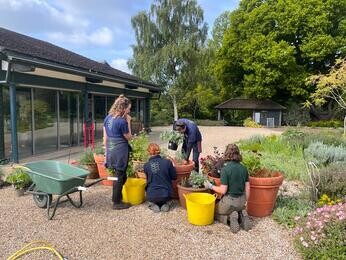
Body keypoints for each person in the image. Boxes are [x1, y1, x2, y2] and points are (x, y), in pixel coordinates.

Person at [204, 144, 252, 233]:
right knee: (237, 208)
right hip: (242, 202)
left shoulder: (225, 170)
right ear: (238, 154)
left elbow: (223, 190)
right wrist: (246, 202)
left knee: (213, 211)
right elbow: (248, 188)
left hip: (230, 202)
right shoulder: (244, 169)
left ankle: (229, 219)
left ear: (226, 154)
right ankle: (241, 215)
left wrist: (210, 186)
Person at [103, 95, 132, 210]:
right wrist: (128, 121)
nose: (129, 111)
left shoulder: (107, 118)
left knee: (120, 175)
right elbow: (129, 137)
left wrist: (106, 154)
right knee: (120, 175)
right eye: (129, 109)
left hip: (111, 148)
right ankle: (116, 202)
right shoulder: (122, 121)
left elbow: (105, 138)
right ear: (123, 108)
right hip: (120, 150)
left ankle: (117, 196)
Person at [144, 143, 177, 213]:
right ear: (159, 151)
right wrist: (173, 167)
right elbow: (174, 177)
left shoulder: (146, 165)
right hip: (166, 194)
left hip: (151, 195)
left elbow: (148, 179)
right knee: (168, 197)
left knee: (152, 195)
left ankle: (153, 204)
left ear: (148, 152)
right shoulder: (167, 162)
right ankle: (166, 204)